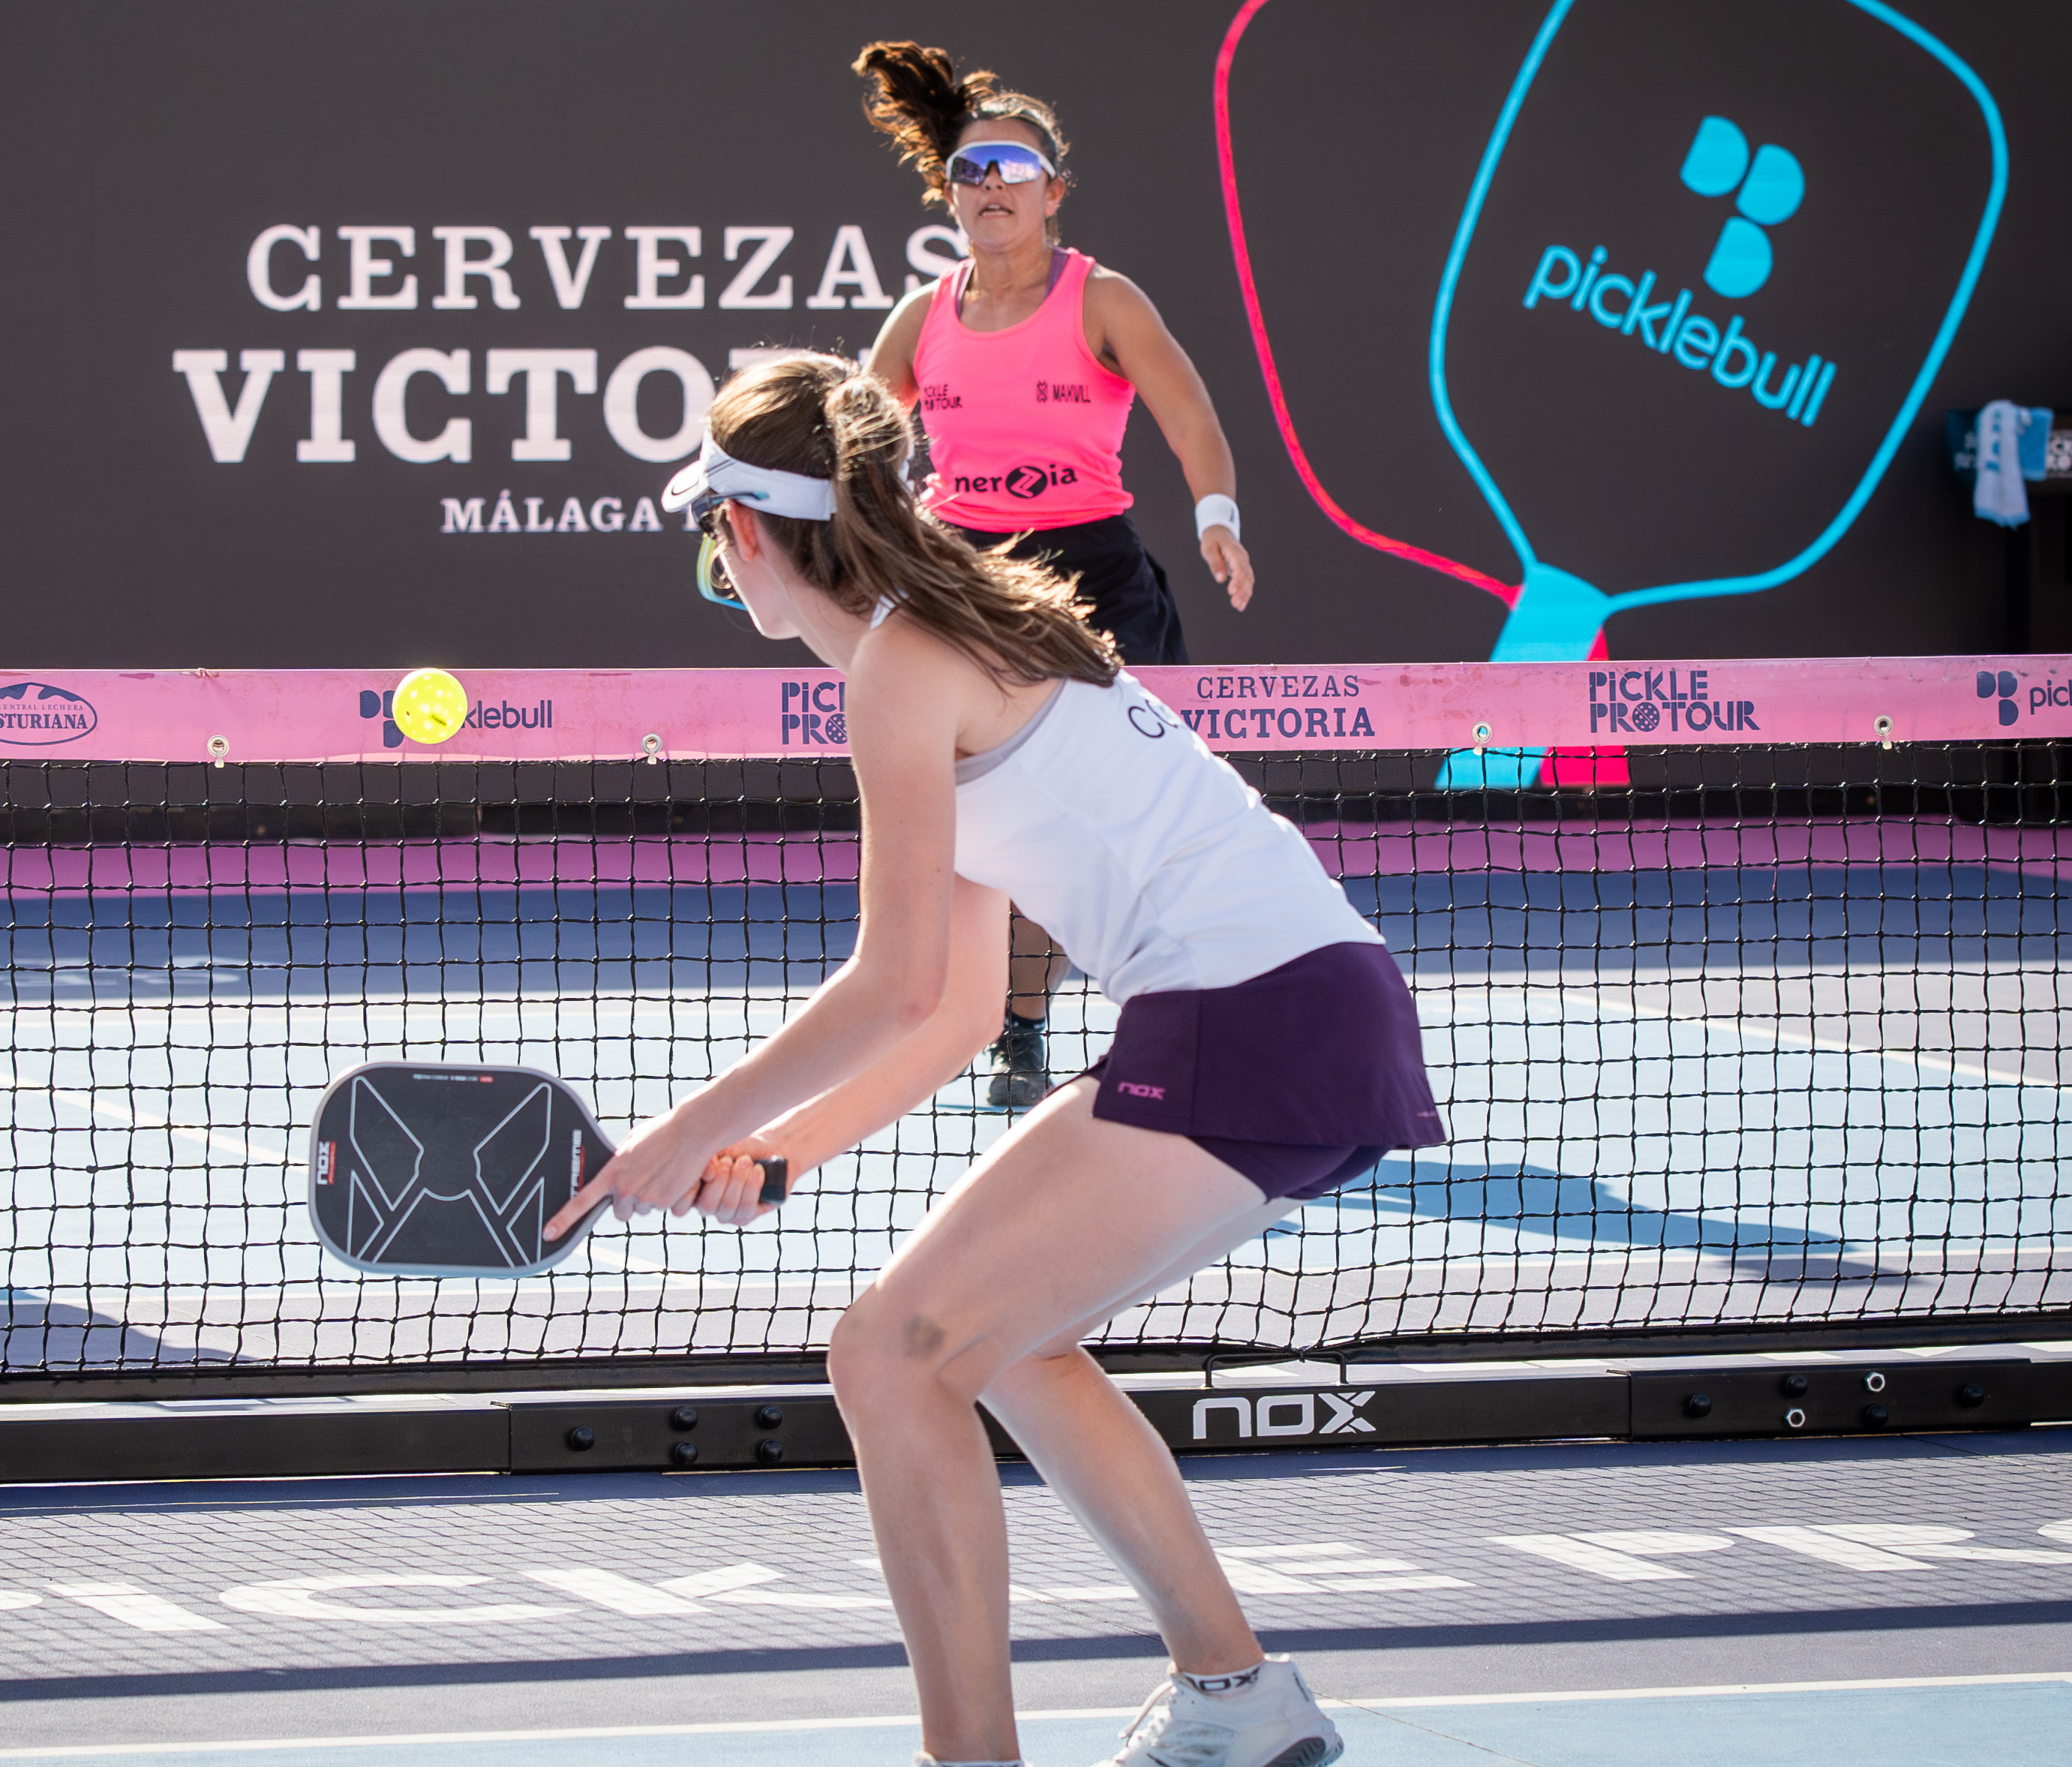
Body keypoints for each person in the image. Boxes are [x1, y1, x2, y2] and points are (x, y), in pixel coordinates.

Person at [546, 353, 1439, 1767]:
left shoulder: (901, 666)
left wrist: (681, 1128)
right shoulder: (955, 630)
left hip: (1253, 1013)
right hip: (1317, 1006)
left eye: (715, 531)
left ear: (750, 530)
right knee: (1005, 1344)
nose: (719, 557)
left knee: (889, 1354)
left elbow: (889, 983)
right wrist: (780, 1150)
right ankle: (1240, 1696)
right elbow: (962, 1007)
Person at [857, 41, 1255, 1111]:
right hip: (967, 585)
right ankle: (1012, 1028)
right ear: (950, 192)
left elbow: (1191, 417)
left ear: (1053, 193)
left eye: (1015, 170)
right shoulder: (920, 319)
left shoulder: (1103, 299)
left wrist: (1217, 517)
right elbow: (857, 446)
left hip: (1094, 586)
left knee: (1115, 826)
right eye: (973, 170)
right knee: (987, 826)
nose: (993, 186)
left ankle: (1165, 1017)